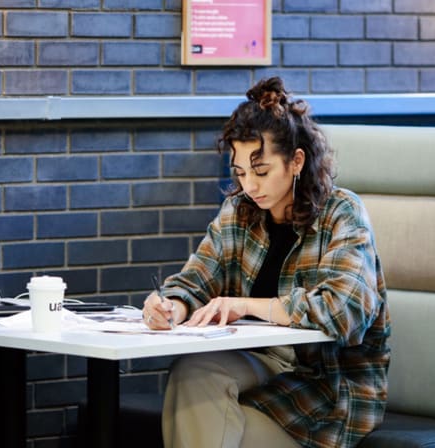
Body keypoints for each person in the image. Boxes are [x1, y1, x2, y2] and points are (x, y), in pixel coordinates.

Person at [142, 77, 390, 448]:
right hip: (264, 368)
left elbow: (344, 310)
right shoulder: (239, 213)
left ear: (296, 162)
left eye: (261, 172)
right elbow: (195, 281)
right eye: (240, 173)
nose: (250, 187)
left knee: (215, 425)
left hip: (324, 386)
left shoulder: (342, 213)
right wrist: (170, 307)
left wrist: (246, 306)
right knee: (193, 371)